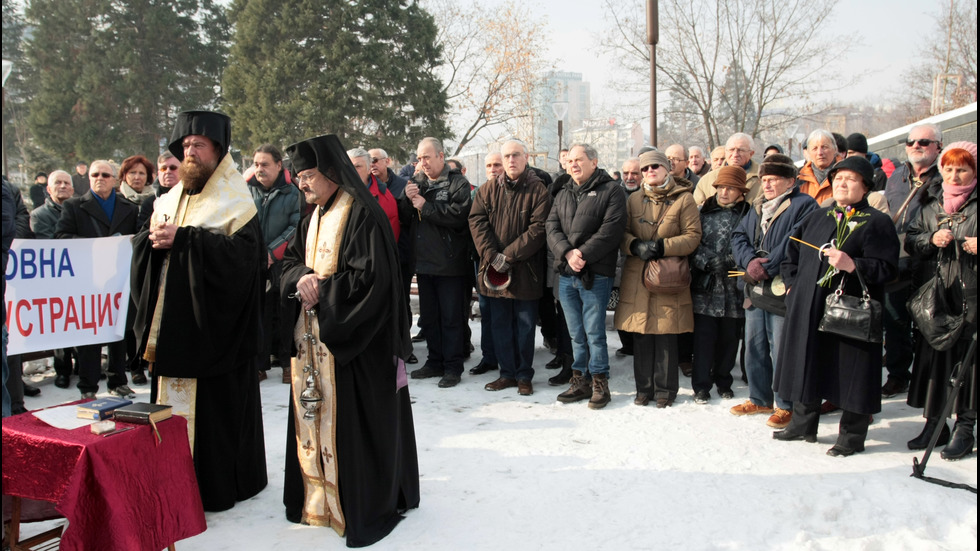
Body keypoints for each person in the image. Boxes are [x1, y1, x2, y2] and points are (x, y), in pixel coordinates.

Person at [280, 133, 419, 547]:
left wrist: (322, 289)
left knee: (356, 430)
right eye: (298, 177)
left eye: (307, 176)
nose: (302, 185)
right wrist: (299, 279)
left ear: (330, 173)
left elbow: (372, 282)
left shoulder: (361, 214)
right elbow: (288, 263)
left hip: (356, 348)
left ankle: (361, 504)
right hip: (314, 346)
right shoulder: (313, 215)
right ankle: (316, 498)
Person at [131, 110, 267, 511]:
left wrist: (187, 240)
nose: (190, 154)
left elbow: (245, 261)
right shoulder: (170, 198)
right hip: (173, 330)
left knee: (214, 418)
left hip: (213, 333)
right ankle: (171, 477)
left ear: (217, 152)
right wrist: (151, 242)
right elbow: (153, 251)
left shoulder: (236, 201)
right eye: (185, 146)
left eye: (198, 146)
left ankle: (215, 485)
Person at [772, 156, 899, 457]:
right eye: (838, 178)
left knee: (852, 368)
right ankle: (803, 423)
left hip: (850, 310)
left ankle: (852, 436)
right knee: (806, 359)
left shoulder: (877, 222)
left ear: (866, 187)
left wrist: (854, 265)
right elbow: (792, 251)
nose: (842, 183)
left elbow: (889, 269)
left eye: (851, 179)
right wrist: (792, 284)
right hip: (808, 305)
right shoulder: (819, 216)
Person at [730, 154, 818, 427]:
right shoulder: (758, 206)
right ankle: (759, 398)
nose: (766, 185)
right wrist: (749, 262)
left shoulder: (804, 204)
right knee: (754, 346)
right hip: (756, 285)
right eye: (764, 179)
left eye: (773, 180)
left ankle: (786, 404)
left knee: (781, 348)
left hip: (783, 286)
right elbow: (738, 236)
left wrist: (768, 265)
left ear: (790, 181)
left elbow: (796, 240)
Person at [905, 141, 977, 460]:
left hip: (972, 296)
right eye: (948, 168)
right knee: (935, 359)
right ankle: (935, 423)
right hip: (936, 295)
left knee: (969, 363)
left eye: (962, 169)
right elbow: (912, 239)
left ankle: (965, 428)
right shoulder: (931, 201)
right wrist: (930, 239)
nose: (954, 175)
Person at [615, 149, 701, 407]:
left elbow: (693, 236)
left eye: (655, 166)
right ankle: (644, 389)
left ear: (666, 168)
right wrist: (635, 246)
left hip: (669, 275)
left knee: (665, 333)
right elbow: (622, 234)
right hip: (638, 274)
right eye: (645, 168)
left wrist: (663, 247)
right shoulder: (633, 200)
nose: (649, 171)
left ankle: (665, 391)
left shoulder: (684, 199)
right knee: (641, 333)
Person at [547, 143, 626, 409]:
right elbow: (551, 226)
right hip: (567, 273)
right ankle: (579, 380)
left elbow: (611, 230)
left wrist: (581, 254)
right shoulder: (563, 191)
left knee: (594, 333)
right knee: (575, 334)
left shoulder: (611, 190)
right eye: (569, 161)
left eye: (579, 160)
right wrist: (567, 253)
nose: (573, 165)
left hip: (596, 274)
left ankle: (600, 383)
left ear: (594, 161)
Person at [469, 140, 551, 396]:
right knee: (500, 326)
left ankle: (524, 375)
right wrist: (493, 255)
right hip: (494, 272)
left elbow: (538, 229)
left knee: (525, 327)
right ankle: (506, 374)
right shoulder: (487, 189)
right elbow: (476, 220)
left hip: (526, 271)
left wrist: (509, 256)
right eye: (507, 156)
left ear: (526, 157)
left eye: (516, 155)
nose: (511, 160)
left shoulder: (539, 190)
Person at [56, 159, 139, 399]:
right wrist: (96, 246)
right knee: (90, 335)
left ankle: (118, 380)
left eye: (105, 174)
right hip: (88, 281)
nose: (99, 178)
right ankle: (88, 386)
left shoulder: (129, 208)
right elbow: (61, 236)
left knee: (118, 332)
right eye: (94, 175)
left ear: (114, 179)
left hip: (118, 279)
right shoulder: (74, 206)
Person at [401, 137, 472, 389]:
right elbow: (405, 218)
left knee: (451, 318)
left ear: (441, 156)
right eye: (419, 158)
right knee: (430, 317)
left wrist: (426, 206)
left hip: (450, 263)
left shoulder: (458, 183)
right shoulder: (416, 182)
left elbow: (459, 217)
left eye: (427, 157)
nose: (423, 163)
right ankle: (434, 361)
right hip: (424, 263)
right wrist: (407, 201)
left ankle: (453, 366)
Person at [881, 123, 945, 397]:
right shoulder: (896, 176)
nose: (916, 146)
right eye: (911, 142)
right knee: (894, 321)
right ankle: (898, 375)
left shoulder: (945, 176)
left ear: (938, 147)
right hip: (897, 260)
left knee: (926, 323)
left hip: (930, 259)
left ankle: (926, 379)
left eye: (924, 142)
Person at [690, 166, 751, 403]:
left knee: (729, 339)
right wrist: (706, 262)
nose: (724, 192)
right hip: (706, 287)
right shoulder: (702, 212)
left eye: (731, 188)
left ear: (741, 192)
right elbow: (692, 243)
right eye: (721, 187)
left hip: (734, 287)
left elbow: (751, 244)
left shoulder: (748, 215)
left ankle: (724, 380)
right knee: (703, 340)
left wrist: (730, 260)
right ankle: (701, 385)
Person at [248, 144, 302, 382]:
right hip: (253, 260)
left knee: (284, 311)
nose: (260, 169)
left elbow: (296, 226)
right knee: (257, 313)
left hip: (283, 260)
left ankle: (287, 364)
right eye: (256, 164)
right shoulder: (247, 191)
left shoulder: (293, 193)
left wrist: (272, 252)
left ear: (279, 165)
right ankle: (259, 364)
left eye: (265, 164)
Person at [30, 170, 77, 389]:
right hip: (55, 280)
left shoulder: (79, 211)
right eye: (57, 183)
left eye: (66, 183)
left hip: (79, 278)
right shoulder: (40, 215)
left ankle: (82, 366)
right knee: (61, 328)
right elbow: (47, 244)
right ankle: (63, 370)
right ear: (48, 189)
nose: (62, 186)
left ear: (73, 188)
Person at [694, 133, 762, 205]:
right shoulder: (707, 180)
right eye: (731, 150)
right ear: (726, 152)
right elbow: (695, 209)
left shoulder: (763, 177)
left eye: (741, 150)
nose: (735, 154)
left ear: (751, 154)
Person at [137, 152, 181, 229]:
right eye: (163, 168)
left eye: (173, 168)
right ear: (158, 173)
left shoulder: (191, 198)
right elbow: (141, 233)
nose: (167, 171)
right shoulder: (149, 203)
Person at [797, 130, 838, 205]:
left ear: (835, 149)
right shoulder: (799, 177)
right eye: (815, 149)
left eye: (824, 147)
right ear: (808, 152)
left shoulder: (844, 175)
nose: (820, 153)